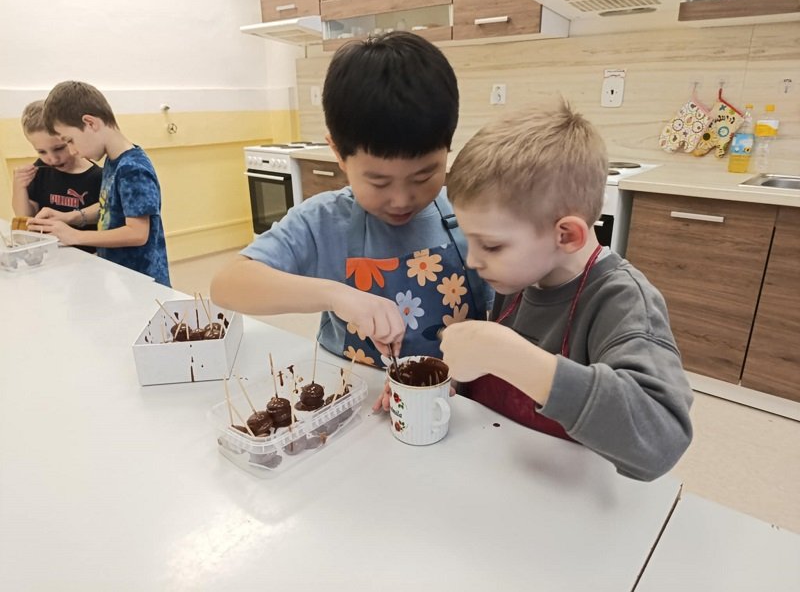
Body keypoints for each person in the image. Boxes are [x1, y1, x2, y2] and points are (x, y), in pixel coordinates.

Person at [439, 99, 693, 481]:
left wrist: (504, 353)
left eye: (490, 245)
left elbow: (662, 439)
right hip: (499, 474)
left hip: (568, 495)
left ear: (567, 235)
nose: (473, 260)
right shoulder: (518, 275)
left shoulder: (622, 301)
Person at [211, 31, 491, 367]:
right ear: (338, 154)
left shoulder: (470, 212)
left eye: (423, 176)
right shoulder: (324, 222)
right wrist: (335, 294)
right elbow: (227, 285)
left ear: (448, 148)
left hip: (460, 394)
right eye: (378, 181)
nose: (401, 199)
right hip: (357, 390)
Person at [29, 81, 170, 286]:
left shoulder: (132, 168)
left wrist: (75, 236)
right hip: (120, 278)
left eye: (70, 140)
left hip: (143, 282)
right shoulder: (114, 161)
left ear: (90, 123)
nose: (73, 151)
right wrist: (70, 217)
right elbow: (112, 208)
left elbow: (138, 233)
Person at [12, 100, 102, 253]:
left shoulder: (97, 176)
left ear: (71, 139)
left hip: (86, 256)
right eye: (42, 152)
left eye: (59, 148)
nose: (52, 159)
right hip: (49, 253)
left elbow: (107, 214)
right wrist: (19, 187)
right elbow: (26, 217)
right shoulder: (40, 170)